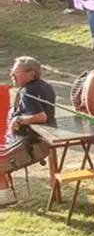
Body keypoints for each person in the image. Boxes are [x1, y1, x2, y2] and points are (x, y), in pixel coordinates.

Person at [0, 57, 57, 207]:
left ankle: (5, 197)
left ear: (31, 74)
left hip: (31, 144)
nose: (12, 75)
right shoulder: (45, 86)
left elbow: (41, 116)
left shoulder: (27, 91)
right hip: (40, 141)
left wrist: (19, 120)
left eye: (15, 72)